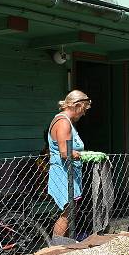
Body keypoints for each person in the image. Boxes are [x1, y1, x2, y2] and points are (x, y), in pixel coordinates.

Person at [47, 90, 91, 238]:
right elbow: (65, 152)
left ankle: (64, 243)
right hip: (63, 173)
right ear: (77, 105)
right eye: (83, 109)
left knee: (71, 211)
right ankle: (56, 245)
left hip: (70, 173)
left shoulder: (66, 122)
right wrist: (81, 155)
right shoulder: (63, 122)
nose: (84, 114)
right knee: (67, 212)